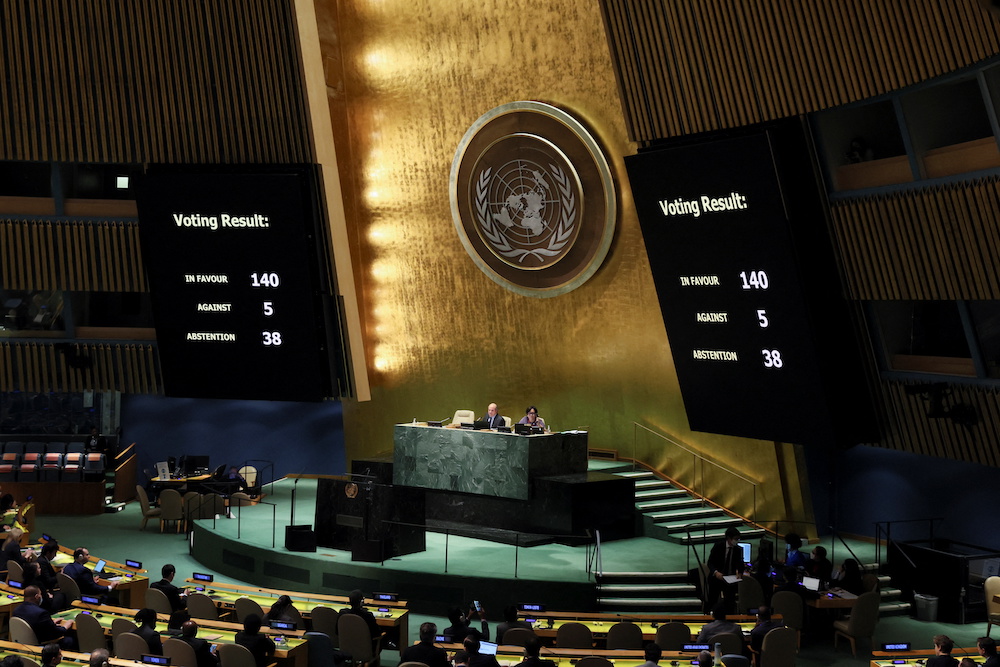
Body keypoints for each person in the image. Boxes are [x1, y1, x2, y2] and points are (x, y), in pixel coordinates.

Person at [705, 526, 743, 612]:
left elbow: (740, 564)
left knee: (730, 603)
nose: (737, 541)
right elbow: (710, 562)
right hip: (717, 578)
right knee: (712, 601)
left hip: (730, 579)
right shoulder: (718, 546)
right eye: (735, 539)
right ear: (728, 538)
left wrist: (740, 572)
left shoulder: (738, 550)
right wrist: (716, 572)